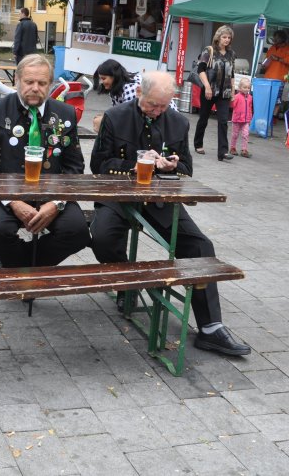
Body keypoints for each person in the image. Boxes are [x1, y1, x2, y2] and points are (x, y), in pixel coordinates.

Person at [90, 71, 251, 356]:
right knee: (101, 236)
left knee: (201, 246)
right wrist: (135, 164)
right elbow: (98, 164)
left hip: (159, 200)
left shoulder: (178, 121)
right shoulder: (115, 117)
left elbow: (187, 168)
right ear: (139, 92)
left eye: (163, 106)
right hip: (118, 196)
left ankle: (211, 327)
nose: (157, 111)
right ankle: (127, 285)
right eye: (153, 104)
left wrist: (173, 165)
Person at [0, 55, 90, 268]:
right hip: (4, 193)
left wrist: (56, 203)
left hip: (52, 193)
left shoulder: (65, 113)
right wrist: (13, 202)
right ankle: (25, 269)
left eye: (42, 83)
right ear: (17, 80)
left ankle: (17, 268)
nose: (35, 88)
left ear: (51, 84)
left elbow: (74, 168)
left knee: (77, 233)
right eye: (29, 82)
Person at [194, 25, 237, 161]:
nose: (227, 40)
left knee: (223, 121)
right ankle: (198, 143)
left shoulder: (231, 54)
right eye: (224, 37)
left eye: (229, 37)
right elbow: (200, 70)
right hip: (210, 90)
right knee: (204, 118)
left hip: (224, 92)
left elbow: (232, 73)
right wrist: (207, 87)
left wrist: (233, 90)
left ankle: (223, 152)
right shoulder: (209, 50)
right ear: (218, 37)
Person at [94, 58, 178, 109]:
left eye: (103, 78)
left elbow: (129, 116)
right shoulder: (115, 87)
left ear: (114, 76)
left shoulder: (130, 89)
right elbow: (116, 111)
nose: (101, 82)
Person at [230, 76, 253, 158]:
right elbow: (232, 106)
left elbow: (250, 108)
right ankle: (232, 148)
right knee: (235, 134)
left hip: (246, 120)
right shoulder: (237, 96)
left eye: (248, 88)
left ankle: (244, 149)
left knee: (245, 134)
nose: (247, 89)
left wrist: (250, 118)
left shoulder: (250, 98)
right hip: (237, 119)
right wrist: (232, 100)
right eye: (245, 87)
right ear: (240, 87)